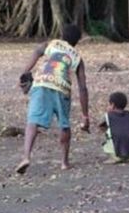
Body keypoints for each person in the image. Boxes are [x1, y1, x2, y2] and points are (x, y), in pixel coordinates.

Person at [16, 24, 89, 174]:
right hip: (62, 89)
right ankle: (64, 162)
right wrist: (85, 115)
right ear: (77, 41)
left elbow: (37, 51)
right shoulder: (77, 57)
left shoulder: (51, 44)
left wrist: (24, 72)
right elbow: (83, 88)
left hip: (41, 83)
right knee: (64, 125)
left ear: (62, 35)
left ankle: (26, 157)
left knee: (33, 121)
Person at [99, 92, 129, 162]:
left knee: (106, 141)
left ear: (112, 105)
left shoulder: (108, 116)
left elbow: (101, 127)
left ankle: (115, 157)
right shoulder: (128, 114)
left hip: (117, 146)